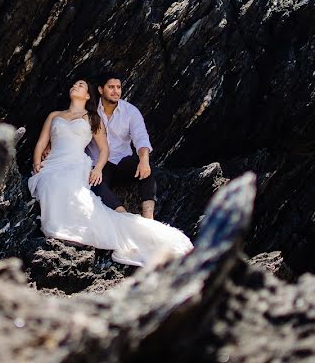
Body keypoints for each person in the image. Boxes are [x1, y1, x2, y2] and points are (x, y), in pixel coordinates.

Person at [28, 79, 193, 267]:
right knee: (52, 183)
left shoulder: (94, 116)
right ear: (101, 90)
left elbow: (111, 147)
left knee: (76, 186)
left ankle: (146, 219)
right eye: (74, 84)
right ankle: (111, 215)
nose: (75, 86)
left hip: (89, 162)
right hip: (54, 162)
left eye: (81, 85)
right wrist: (37, 162)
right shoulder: (55, 115)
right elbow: (41, 142)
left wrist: (99, 168)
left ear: (89, 94)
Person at [87, 71, 159, 219]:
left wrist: (144, 160)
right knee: (93, 183)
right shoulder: (90, 111)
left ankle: (148, 216)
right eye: (111, 87)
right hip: (100, 165)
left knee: (148, 165)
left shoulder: (130, 111)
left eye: (118, 87)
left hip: (123, 161)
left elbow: (141, 137)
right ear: (101, 90)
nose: (116, 91)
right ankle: (124, 216)